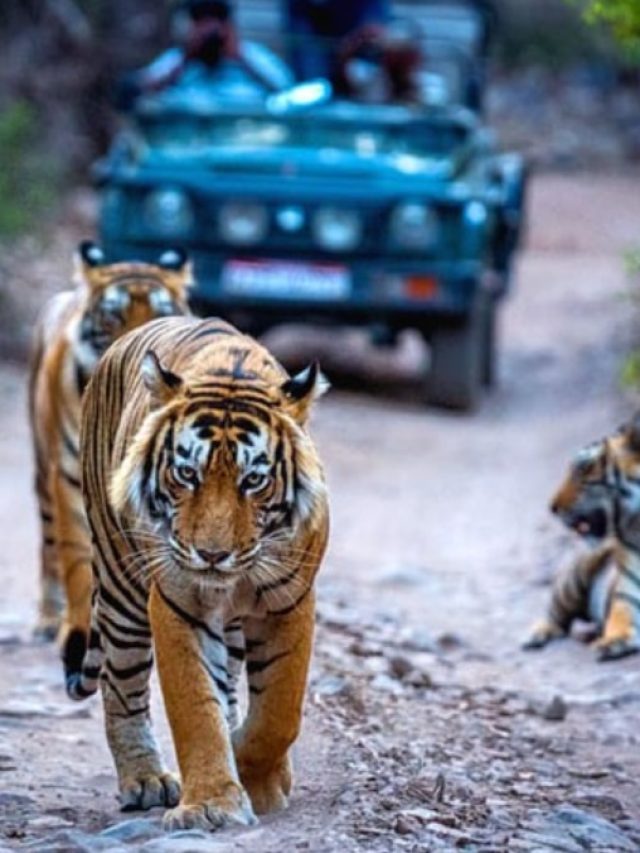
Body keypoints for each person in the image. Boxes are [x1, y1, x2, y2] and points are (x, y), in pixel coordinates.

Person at [116, 0, 292, 110]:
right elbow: (138, 88)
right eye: (200, 21)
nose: (208, 30)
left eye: (216, 20)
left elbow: (287, 91)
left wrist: (240, 57)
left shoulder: (253, 56)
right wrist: (186, 58)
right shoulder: (177, 60)